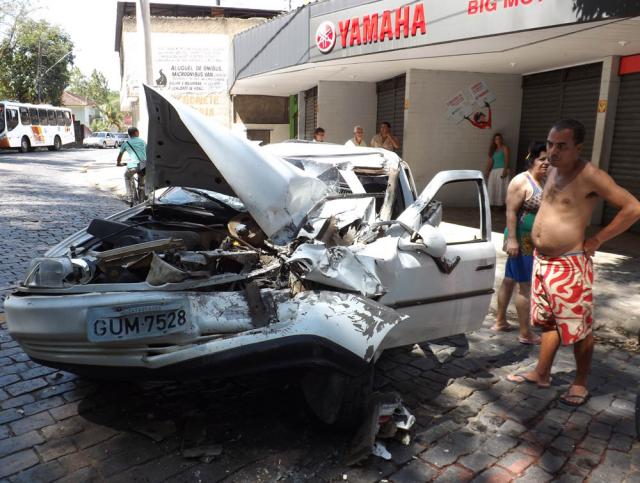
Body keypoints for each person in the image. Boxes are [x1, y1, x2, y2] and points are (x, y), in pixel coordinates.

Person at [507, 119, 640, 406]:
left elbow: (633, 208)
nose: (553, 151)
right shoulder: (552, 170)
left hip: (569, 264)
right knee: (548, 321)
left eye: (561, 146)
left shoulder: (590, 175)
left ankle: (580, 383)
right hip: (543, 261)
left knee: (579, 327)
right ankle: (542, 373)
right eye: (551, 144)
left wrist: (598, 240)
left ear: (577, 147)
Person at [491, 142, 549, 345]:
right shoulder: (520, 181)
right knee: (524, 286)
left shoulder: (544, 180)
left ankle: (500, 321)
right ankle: (526, 333)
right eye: (542, 158)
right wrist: (513, 240)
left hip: (530, 240)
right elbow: (510, 212)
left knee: (509, 279)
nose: (546, 162)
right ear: (532, 159)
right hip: (520, 240)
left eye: (549, 159)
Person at [116, 126, 147, 204]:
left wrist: (119, 163)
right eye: (138, 132)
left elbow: (120, 155)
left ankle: (130, 198)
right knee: (142, 182)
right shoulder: (143, 142)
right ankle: (142, 199)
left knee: (127, 177)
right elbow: (147, 153)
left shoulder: (126, 143)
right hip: (143, 165)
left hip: (132, 166)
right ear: (136, 133)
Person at [484, 133, 510, 209]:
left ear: (501, 139)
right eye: (496, 139)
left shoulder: (505, 147)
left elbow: (507, 159)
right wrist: (487, 172)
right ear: (494, 141)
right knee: (493, 187)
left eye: (499, 138)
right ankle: (493, 204)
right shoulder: (493, 149)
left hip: (502, 169)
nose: (498, 140)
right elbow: (490, 162)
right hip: (494, 171)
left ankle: (501, 205)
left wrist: (505, 170)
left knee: (502, 188)